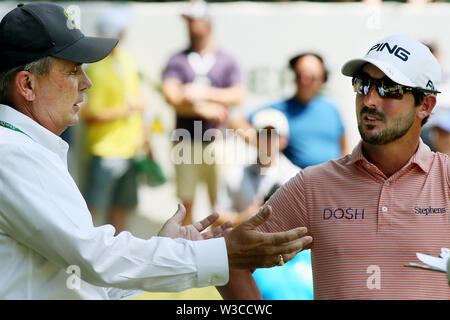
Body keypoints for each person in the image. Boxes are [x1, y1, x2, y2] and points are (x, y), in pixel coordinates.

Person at [0, 2, 312, 299]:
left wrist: (168, 248)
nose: (86, 83)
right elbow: (94, 258)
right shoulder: (12, 152)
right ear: (27, 84)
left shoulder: (24, 148)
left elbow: (82, 277)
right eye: (72, 71)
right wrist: (219, 253)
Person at [218, 34, 450, 300]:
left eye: (388, 87)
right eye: (363, 84)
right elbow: (230, 260)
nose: (370, 99)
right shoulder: (313, 185)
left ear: (425, 105)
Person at [161, 0, 246, 225]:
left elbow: (237, 95)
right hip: (185, 140)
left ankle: (214, 250)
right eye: (188, 22)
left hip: (216, 141)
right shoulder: (177, 59)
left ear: (208, 23)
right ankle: (187, 248)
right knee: (185, 204)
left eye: (194, 21)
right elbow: (171, 96)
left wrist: (197, 92)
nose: (190, 27)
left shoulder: (226, 60)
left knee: (218, 203)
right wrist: (205, 108)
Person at [214, 108, 313, 299]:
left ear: (284, 140)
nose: (268, 140)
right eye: (263, 134)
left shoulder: (298, 177)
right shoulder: (234, 175)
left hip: (291, 255)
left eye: (273, 135)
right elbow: (217, 219)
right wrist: (244, 217)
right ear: (254, 138)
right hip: (248, 255)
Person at [80, 9, 147, 234]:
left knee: (121, 209)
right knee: (91, 209)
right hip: (105, 152)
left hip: (130, 151)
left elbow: (137, 105)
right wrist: (127, 109)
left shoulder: (126, 60)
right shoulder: (95, 68)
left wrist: (144, 138)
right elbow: (89, 115)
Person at [232, 52, 347, 169]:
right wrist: (263, 145)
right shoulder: (281, 109)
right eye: (300, 76)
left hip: (333, 181)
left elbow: (343, 145)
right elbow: (237, 122)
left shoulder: (331, 108)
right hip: (298, 181)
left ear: (322, 79)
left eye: (311, 77)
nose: (304, 81)